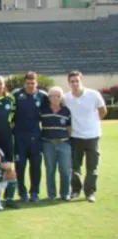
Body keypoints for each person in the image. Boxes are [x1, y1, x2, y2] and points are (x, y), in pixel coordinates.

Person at [63, 71, 107, 202]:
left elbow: (103, 110)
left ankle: (89, 192)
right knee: (75, 166)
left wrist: (93, 124)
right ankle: (75, 190)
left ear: (81, 81)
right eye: (72, 81)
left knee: (92, 166)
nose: (75, 83)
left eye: (77, 81)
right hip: (76, 137)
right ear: (69, 83)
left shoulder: (94, 95)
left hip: (93, 136)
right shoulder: (66, 98)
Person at [12, 71, 48, 202]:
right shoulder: (16, 95)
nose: (30, 86)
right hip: (20, 137)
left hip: (36, 137)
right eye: (28, 83)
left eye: (33, 83)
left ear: (37, 83)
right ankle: (22, 192)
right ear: (24, 83)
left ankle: (34, 192)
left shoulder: (43, 97)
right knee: (20, 166)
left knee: (36, 166)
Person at [41, 86, 72, 201]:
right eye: (52, 96)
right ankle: (51, 194)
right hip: (48, 144)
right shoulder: (43, 111)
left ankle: (65, 193)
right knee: (50, 170)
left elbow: (69, 128)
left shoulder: (66, 111)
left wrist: (69, 142)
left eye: (58, 96)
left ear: (61, 98)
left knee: (65, 170)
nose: (55, 98)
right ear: (48, 98)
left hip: (64, 144)